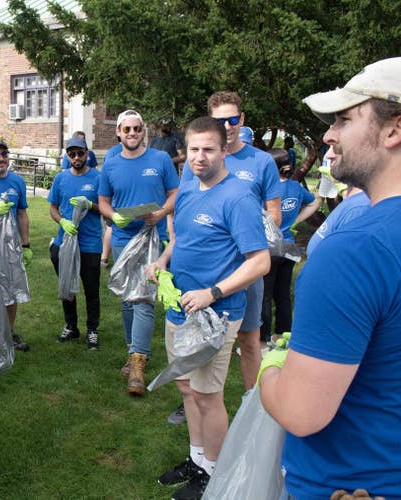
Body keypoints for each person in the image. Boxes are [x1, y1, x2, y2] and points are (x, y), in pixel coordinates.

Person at [258, 55, 401, 499]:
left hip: (351, 483)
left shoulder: (354, 250)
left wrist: (271, 366)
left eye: (344, 119)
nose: (328, 134)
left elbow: (301, 412)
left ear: (394, 129)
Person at [147, 116, 269, 499]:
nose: (200, 157)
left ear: (224, 149)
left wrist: (213, 292)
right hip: (180, 306)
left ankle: (215, 473)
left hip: (215, 313)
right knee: (186, 387)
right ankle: (197, 459)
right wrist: (162, 261)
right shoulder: (187, 189)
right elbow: (181, 238)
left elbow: (259, 261)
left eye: (209, 149)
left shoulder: (238, 197)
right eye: (194, 149)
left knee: (207, 395)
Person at [182, 91, 282, 391]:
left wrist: (244, 230)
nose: (227, 125)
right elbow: (190, 204)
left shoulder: (261, 162)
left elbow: (275, 215)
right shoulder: (197, 159)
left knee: (250, 340)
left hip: (246, 267)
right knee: (197, 336)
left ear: (242, 119)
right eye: (219, 120)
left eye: (233, 119)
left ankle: (250, 404)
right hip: (206, 270)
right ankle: (194, 398)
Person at [98, 109, 179, 395]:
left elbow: (174, 193)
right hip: (122, 238)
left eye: (137, 129)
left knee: (143, 298)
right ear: (118, 132)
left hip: (151, 238)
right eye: (127, 129)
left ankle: (138, 365)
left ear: (144, 131)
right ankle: (131, 350)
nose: (132, 134)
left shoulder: (160, 159)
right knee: (126, 298)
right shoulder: (110, 164)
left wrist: (161, 213)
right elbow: (103, 201)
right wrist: (113, 217)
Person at [260, 148, 320, 349]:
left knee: (264, 295)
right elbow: (315, 202)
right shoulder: (295, 187)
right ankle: (282, 335)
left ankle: (263, 339)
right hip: (290, 247)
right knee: (283, 294)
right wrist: (296, 219)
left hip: (270, 246)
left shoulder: (268, 189)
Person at [48, 135, 102, 349]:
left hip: (89, 244)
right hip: (65, 241)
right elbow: (52, 207)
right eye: (72, 154)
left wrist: (90, 204)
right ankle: (71, 326)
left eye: (80, 153)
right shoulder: (61, 179)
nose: (76, 157)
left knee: (91, 289)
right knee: (67, 287)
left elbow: (106, 209)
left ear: (87, 154)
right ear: (67, 156)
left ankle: (92, 330)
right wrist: (62, 221)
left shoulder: (98, 178)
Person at [0, 140, 31, 351]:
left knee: (12, 290)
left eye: (4, 154)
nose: (1, 159)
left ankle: (8, 334)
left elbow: (22, 213)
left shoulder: (17, 181)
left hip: (11, 246)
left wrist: (26, 244)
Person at [306, 147, 370, 256]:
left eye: (338, 146)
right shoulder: (353, 202)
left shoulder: (359, 208)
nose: (327, 155)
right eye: (329, 147)